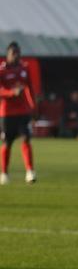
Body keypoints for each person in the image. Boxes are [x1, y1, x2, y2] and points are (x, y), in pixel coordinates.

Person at [0, 42, 36, 184]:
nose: (16, 55)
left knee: (26, 138)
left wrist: (33, 106)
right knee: (7, 143)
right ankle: (4, 173)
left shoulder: (24, 68)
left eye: (18, 53)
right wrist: (12, 92)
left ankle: (30, 171)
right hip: (7, 113)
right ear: (8, 55)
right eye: (13, 53)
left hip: (23, 111)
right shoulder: (2, 70)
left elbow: (30, 88)